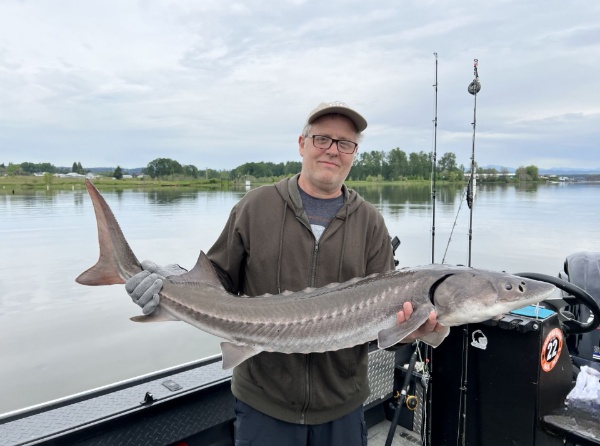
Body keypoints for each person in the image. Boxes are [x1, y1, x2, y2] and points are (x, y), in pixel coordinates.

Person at [126, 101, 441, 446]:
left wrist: (411, 331)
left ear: (354, 154)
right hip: (264, 403)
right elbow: (215, 277)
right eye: (322, 139)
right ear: (302, 144)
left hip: (342, 406)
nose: (333, 151)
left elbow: (381, 321)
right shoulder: (255, 206)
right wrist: (165, 284)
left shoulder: (371, 223)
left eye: (345, 144)